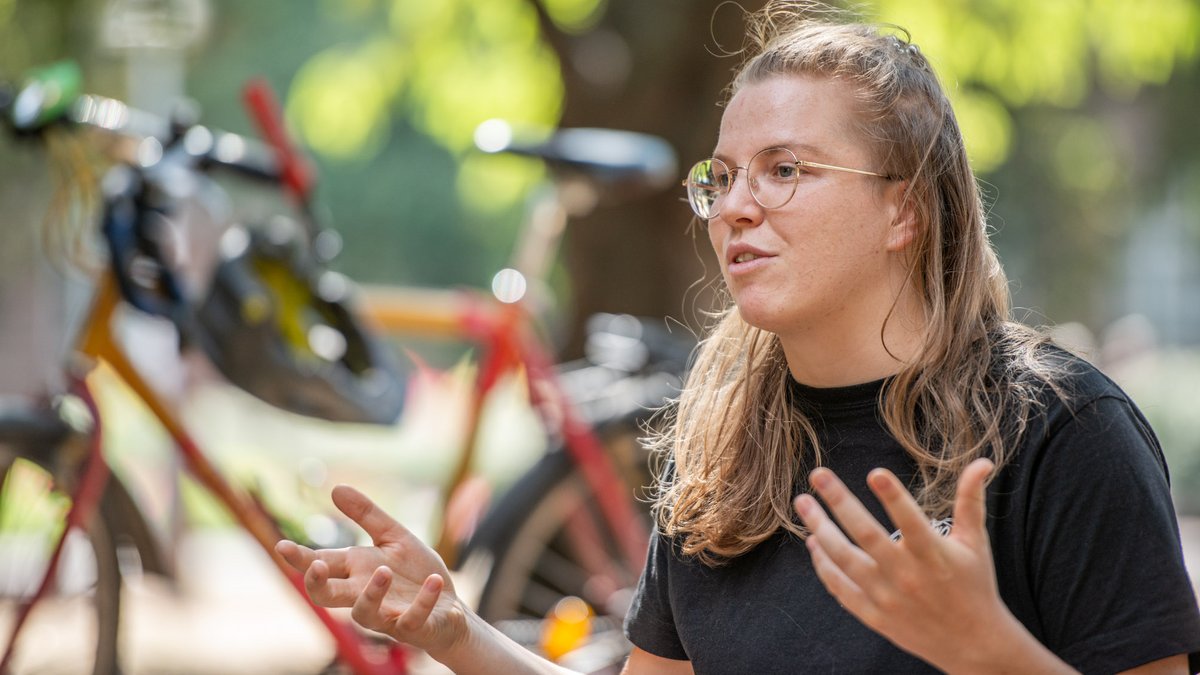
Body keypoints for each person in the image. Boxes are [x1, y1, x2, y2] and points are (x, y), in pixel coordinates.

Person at [276, 1, 1200, 672]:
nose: (735, 207)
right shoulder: (724, 441)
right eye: (720, 177)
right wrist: (454, 633)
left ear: (905, 209)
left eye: (785, 169)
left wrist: (988, 655)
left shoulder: (1066, 434)